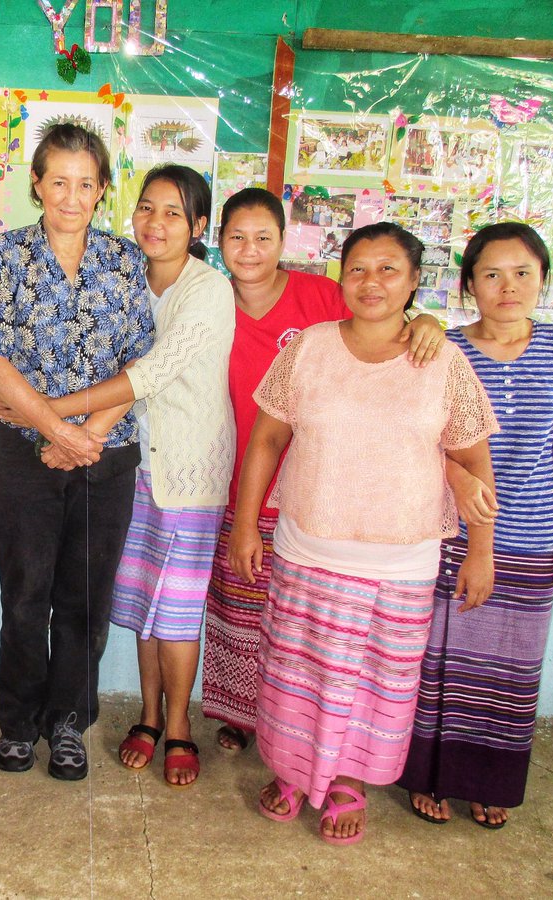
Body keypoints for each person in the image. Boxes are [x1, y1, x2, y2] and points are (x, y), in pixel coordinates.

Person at [229, 222, 499, 846]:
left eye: (388, 270)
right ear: (339, 276)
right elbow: (268, 439)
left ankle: (349, 781)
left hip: (401, 559)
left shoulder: (442, 359)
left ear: (412, 283)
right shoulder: (311, 346)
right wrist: (246, 525)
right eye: (357, 269)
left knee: (376, 679)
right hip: (308, 546)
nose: (371, 283)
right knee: (300, 672)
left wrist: (479, 551)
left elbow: (473, 459)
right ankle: (294, 773)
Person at [11, 165, 235, 786]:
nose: (155, 223)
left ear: (197, 227)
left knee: (179, 610)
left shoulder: (206, 290)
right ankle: (147, 715)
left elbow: (150, 372)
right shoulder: (126, 272)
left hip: (188, 469)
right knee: (139, 599)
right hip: (132, 465)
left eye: (174, 213)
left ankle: (180, 724)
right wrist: (71, 431)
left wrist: (49, 419)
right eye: (147, 208)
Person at [202, 189, 444, 753]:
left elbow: (382, 323)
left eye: (264, 237)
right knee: (241, 608)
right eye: (236, 236)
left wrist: (426, 317)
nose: (249, 249)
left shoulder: (320, 296)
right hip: (232, 479)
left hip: (317, 496)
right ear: (219, 243)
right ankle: (243, 717)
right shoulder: (207, 299)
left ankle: (296, 729)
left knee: (298, 630)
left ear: (285, 243)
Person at [0, 123, 154, 780]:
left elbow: (142, 359)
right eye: (59, 182)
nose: (71, 197)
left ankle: (68, 722)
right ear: (37, 184)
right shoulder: (5, 255)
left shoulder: (125, 260)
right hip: (23, 453)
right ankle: (19, 721)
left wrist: (90, 436)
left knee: (85, 597)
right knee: (26, 595)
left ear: (102, 189)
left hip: (106, 455)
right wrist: (57, 433)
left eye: (85, 184)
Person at [399, 223, 553, 829]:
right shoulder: (442, 349)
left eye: (522, 273)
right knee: (438, 661)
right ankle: (428, 777)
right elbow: (416, 438)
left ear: (543, 281)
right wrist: (456, 479)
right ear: (468, 286)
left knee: (510, 666)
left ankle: (487, 782)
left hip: (531, 533)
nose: (508, 287)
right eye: (491, 274)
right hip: (451, 533)